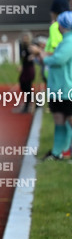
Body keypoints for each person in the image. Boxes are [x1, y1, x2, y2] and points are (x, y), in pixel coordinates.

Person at [40, 11, 72, 161]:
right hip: (58, 90)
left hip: (67, 89)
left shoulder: (70, 41)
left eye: (59, 22)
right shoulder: (64, 41)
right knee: (59, 120)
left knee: (69, 121)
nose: (57, 25)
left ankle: (64, 152)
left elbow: (59, 60)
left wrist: (45, 58)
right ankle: (56, 153)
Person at [16, 32, 41, 114]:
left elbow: (38, 52)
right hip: (25, 69)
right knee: (23, 85)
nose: (25, 39)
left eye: (26, 38)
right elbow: (23, 59)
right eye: (24, 38)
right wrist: (21, 67)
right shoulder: (22, 47)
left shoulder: (30, 47)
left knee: (27, 88)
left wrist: (34, 56)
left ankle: (28, 105)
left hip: (29, 69)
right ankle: (36, 101)